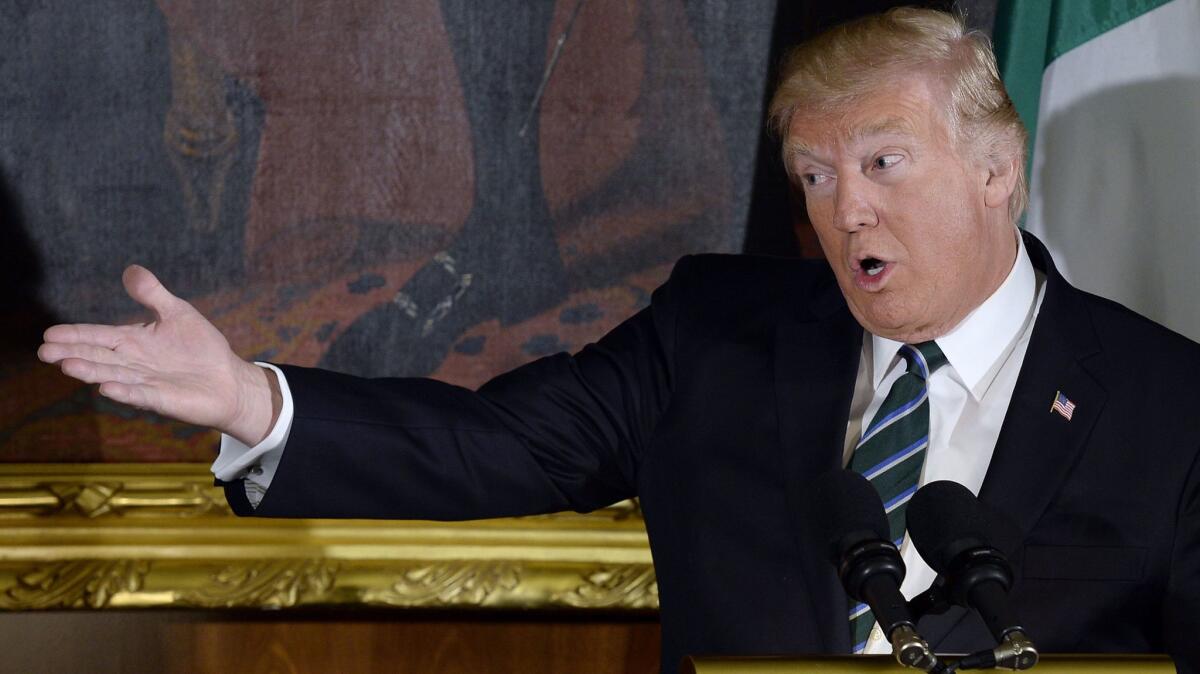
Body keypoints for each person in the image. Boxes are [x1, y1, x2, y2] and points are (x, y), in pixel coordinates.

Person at [36, 8, 1200, 673]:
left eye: (884, 163)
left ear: (999, 169)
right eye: (815, 174)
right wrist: (251, 398)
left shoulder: (1168, 402)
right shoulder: (716, 334)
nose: (845, 211)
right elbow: (494, 443)